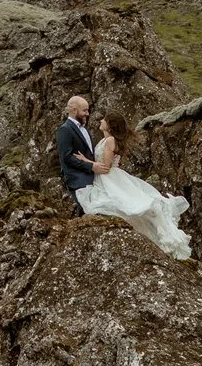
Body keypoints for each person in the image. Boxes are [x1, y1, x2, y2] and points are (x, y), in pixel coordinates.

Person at [75, 110, 192, 260]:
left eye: (104, 120)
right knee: (125, 208)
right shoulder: (106, 140)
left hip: (109, 178)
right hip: (107, 177)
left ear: (110, 126)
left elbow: (105, 167)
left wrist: (85, 161)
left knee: (127, 205)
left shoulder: (110, 141)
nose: (100, 121)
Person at [56, 94, 99, 205]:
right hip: (78, 181)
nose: (87, 114)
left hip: (94, 177)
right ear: (74, 110)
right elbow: (66, 157)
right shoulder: (65, 130)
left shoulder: (84, 129)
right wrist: (91, 166)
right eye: (84, 110)